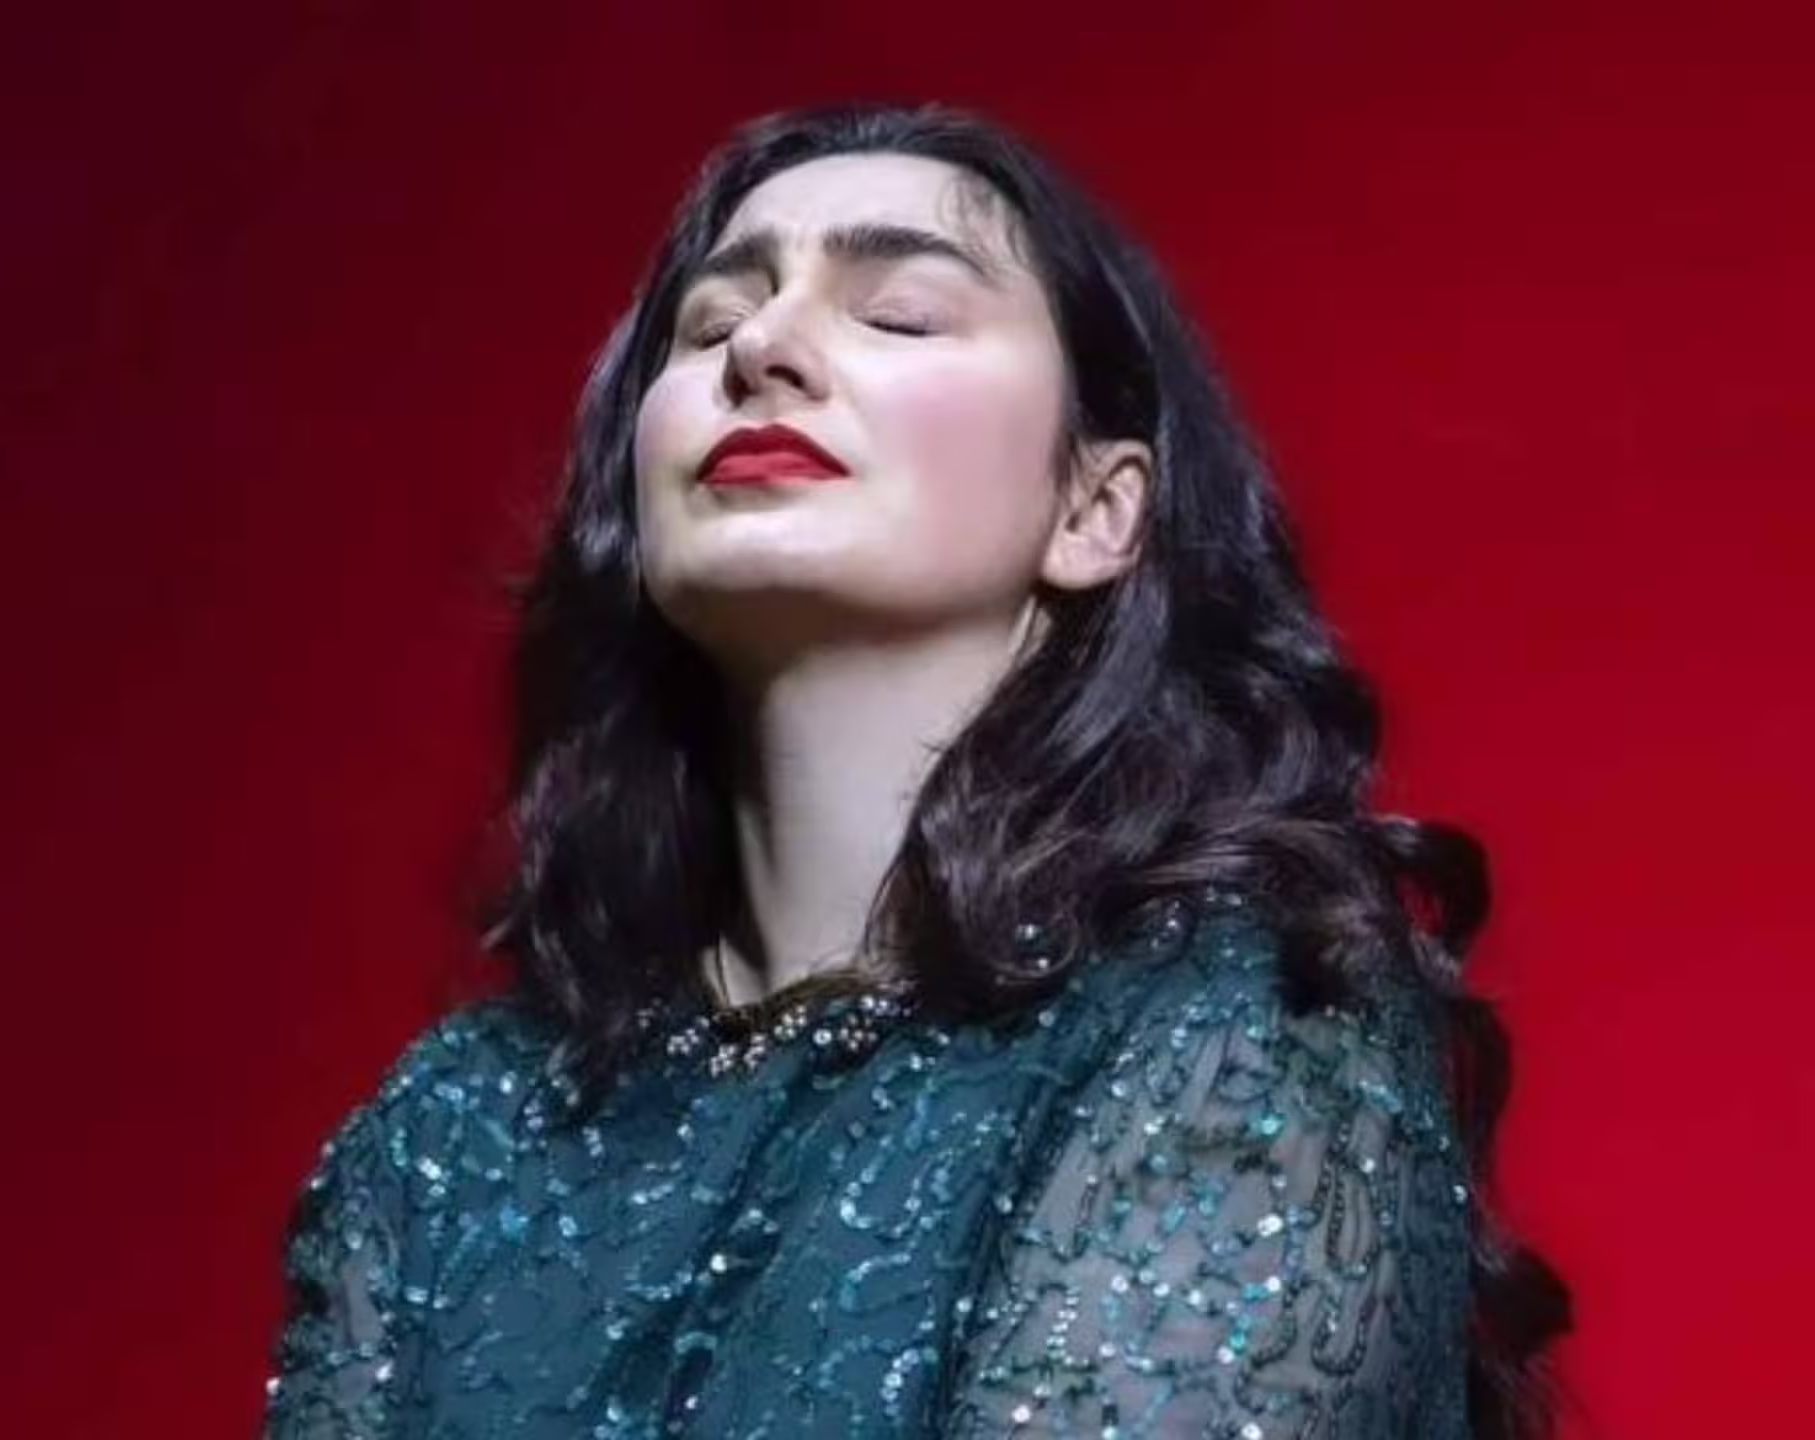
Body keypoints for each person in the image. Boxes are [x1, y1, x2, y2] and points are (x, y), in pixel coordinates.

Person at [261, 101, 1572, 1438]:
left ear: (1095, 508)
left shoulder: (1242, 1029)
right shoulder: (448, 1131)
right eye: (710, 326)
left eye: (898, 313)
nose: (762, 349)